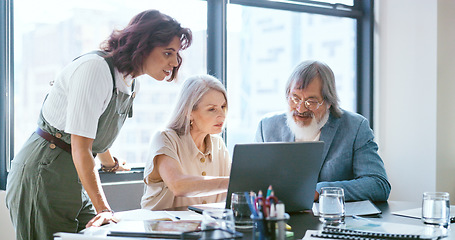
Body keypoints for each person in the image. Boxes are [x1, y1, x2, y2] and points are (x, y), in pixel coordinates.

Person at [6, 10, 192, 240]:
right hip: (44, 174)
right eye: (168, 53)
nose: (174, 63)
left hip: (74, 177)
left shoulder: (131, 84)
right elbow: (81, 146)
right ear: (143, 45)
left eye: (176, 55)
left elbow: (92, 131)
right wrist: (104, 209)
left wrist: (109, 163)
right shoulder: (96, 69)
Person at [255, 60, 391, 202]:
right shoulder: (267, 127)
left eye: (311, 101)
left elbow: (378, 184)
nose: (301, 108)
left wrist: (320, 191)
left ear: (328, 102)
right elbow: (254, 182)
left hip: (333, 219)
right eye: (295, 98)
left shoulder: (355, 127)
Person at [141, 74, 230, 210]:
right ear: (189, 112)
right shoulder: (165, 138)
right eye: (212, 109)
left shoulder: (218, 145)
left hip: (203, 227)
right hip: (161, 227)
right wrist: (232, 183)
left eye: (223, 107)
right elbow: (178, 185)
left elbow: (237, 191)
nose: (222, 115)